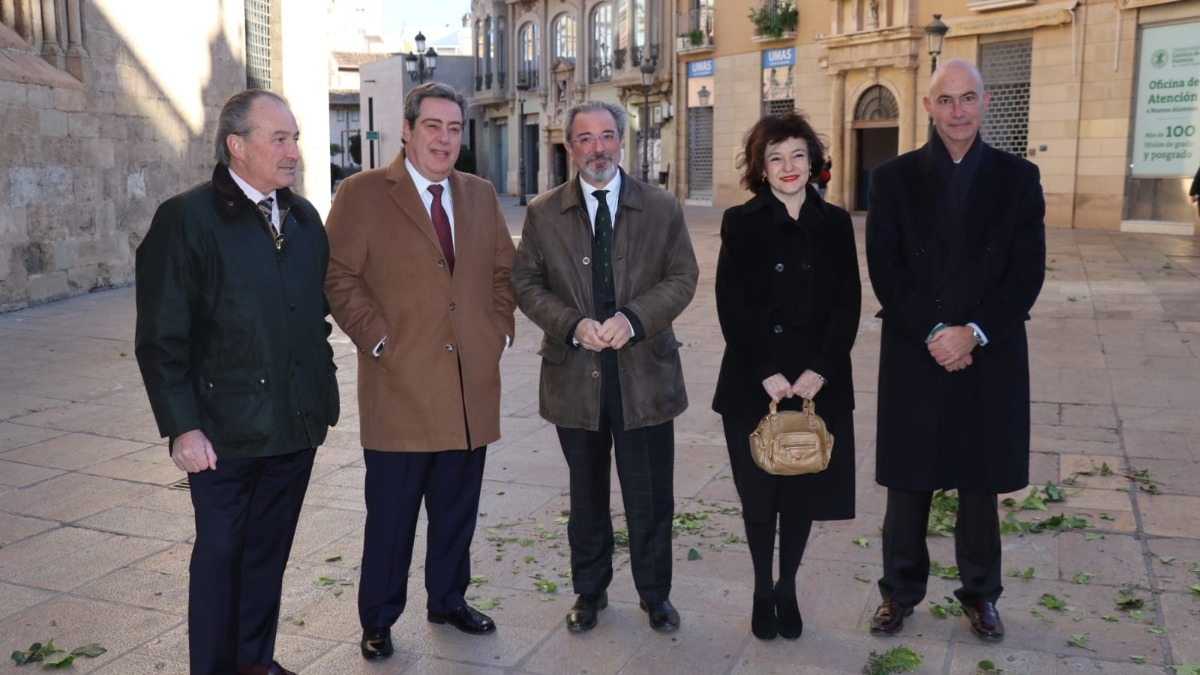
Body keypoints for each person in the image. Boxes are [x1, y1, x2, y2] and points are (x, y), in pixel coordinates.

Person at [134, 89, 339, 675]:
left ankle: (256, 662)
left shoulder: (302, 218)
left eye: (295, 138)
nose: (294, 151)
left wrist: (319, 393)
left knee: (267, 557)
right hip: (222, 436)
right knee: (223, 559)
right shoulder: (186, 219)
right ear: (236, 146)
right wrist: (182, 428)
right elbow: (161, 339)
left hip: (295, 425)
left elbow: (310, 317)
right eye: (280, 139)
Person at [324, 82, 516, 660]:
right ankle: (379, 617)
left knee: (457, 508)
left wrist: (496, 331)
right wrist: (378, 340)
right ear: (406, 130)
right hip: (399, 387)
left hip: (467, 391)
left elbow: (504, 273)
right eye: (432, 126)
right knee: (392, 516)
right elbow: (337, 276)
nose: (444, 138)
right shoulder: (361, 194)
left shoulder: (480, 195)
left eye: (454, 128)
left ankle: (448, 599)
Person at [865, 59, 1046, 643]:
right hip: (918, 348)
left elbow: (1026, 273)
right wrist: (937, 332)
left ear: (986, 102)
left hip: (986, 351)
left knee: (978, 482)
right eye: (946, 100)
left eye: (968, 98)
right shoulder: (892, 179)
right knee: (909, 481)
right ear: (927, 106)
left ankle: (981, 597)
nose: (958, 111)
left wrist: (973, 332)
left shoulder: (1019, 178)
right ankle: (898, 592)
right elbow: (886, 269)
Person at [510, 100, 699, 634]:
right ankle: (589, 593)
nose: (599, 148)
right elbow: (525, 284)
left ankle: (656, 596)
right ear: (571, 147)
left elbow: (683, 276)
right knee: (586, 497)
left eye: (608, 136)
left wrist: (635, 318)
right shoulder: (544, 213)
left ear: (623, 142)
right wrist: (570, 323)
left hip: (645, 376)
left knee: (650, 496)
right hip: (575, 375)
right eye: (586, 139)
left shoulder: (661, 207)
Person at [713, 112, 860, 641]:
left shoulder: (837, 223)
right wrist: (766, 372)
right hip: (755, 382)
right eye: (775, 157)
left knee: (800, 493)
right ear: (761, 168)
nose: (788, 166)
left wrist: (820, 369)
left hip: (818, 382)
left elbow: (848, 304)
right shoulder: (741, 221)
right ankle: (759, 587)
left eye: (797, 154)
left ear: (813, 160)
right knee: (759, 495)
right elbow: (731, 303)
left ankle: (788, 587)